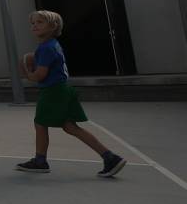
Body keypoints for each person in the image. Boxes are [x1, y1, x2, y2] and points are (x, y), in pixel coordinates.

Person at [16, 10, 126, 177]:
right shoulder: (53, 45)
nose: (34, 26)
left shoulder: (46, 48)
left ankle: (40, 161)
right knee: (70, 127)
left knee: (40, 123)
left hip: (53, 91)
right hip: (63, 89)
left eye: (40, 22)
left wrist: (26, 71)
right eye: (33, 23)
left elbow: (40, 75)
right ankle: (110, 157)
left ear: (53, 26)